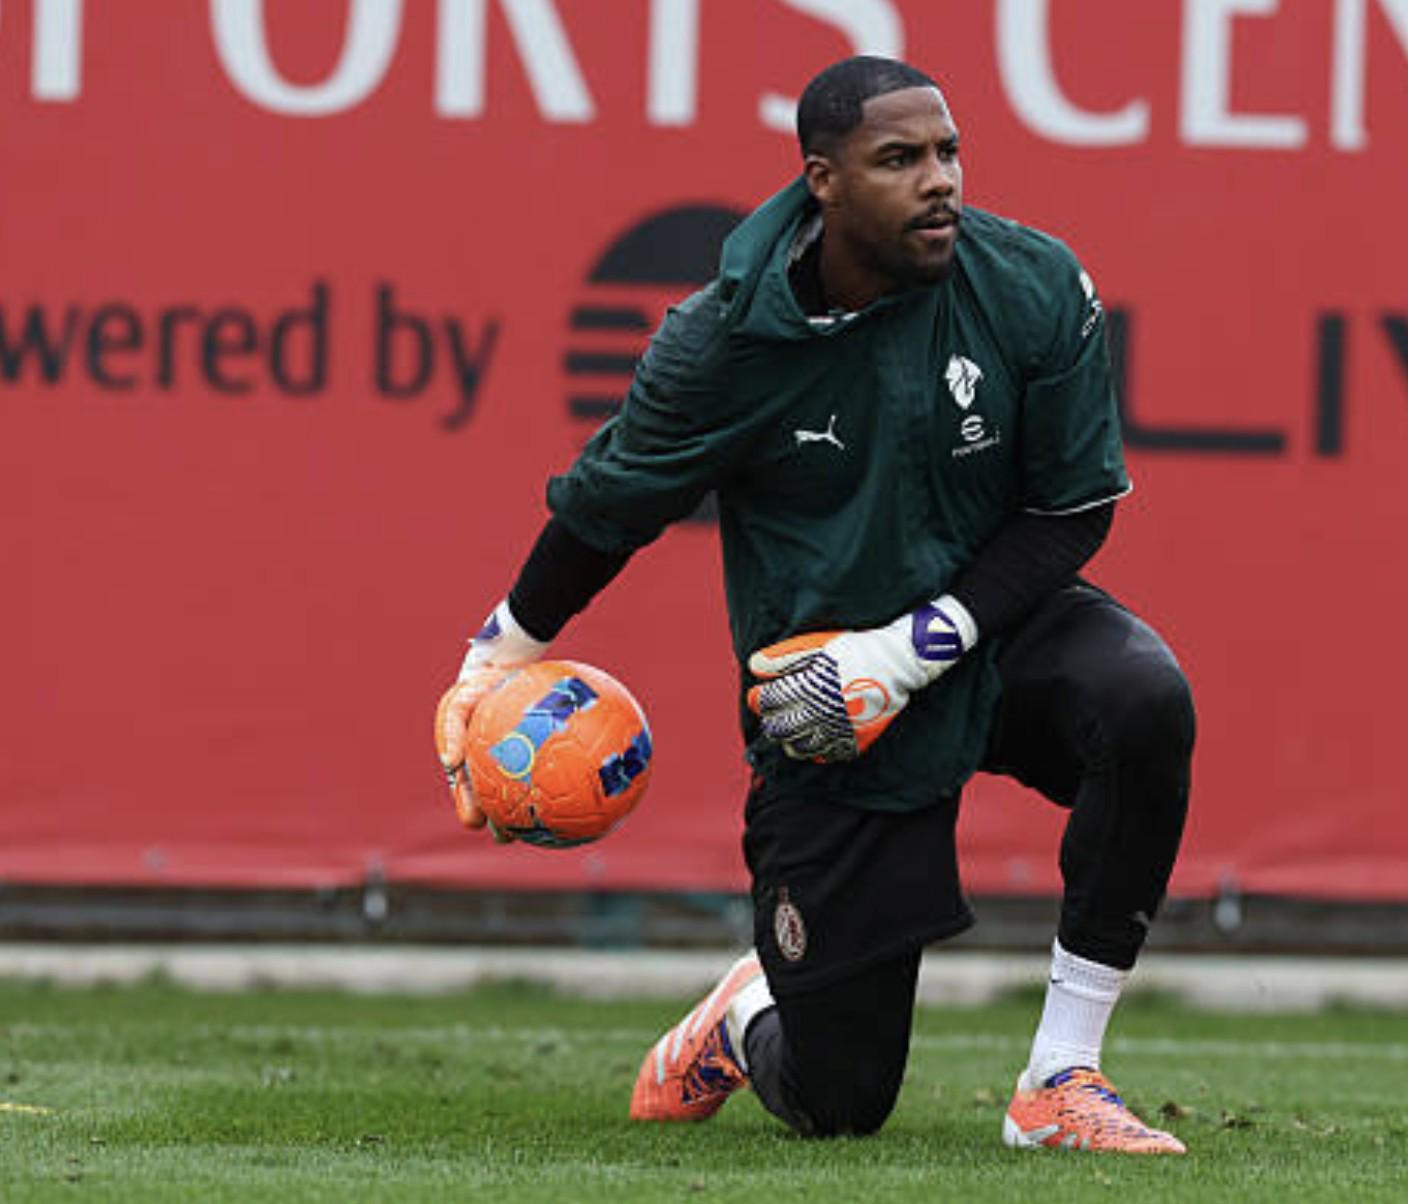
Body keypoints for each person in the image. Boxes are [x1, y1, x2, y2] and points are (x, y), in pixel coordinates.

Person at [434, 55, 1195, 1155]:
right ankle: (745, 1012)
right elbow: (603, 511)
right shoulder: (724, 341)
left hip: (988, 634)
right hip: (827, 702)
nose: (939, 180)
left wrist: (915, 645)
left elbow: (1068, 513)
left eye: (947, 152)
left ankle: (1059, 1077)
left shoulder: (1031, 284)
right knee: (840, 1103)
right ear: (823, 181)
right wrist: (495, 655)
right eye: (899, 159)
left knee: (1142, 701)